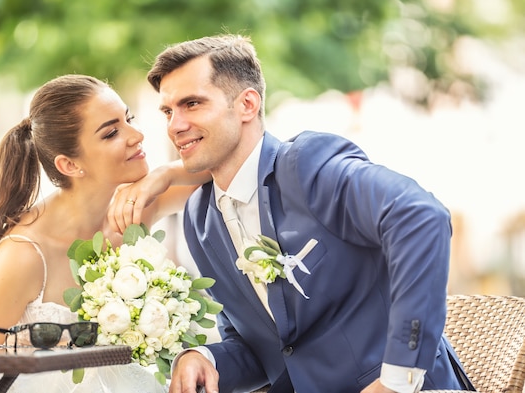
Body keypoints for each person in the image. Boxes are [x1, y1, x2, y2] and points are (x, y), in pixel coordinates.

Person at [141, 34, 475, 393]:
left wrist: (398, 379)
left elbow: (422, 217)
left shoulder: (308, 167)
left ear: (247, 105)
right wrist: (203, 358)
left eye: (192, 103)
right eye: (168, 111)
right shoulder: (199, 219)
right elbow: (264, 351)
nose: (175, 125)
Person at [0, 74, 210, 393]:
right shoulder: (26, 254)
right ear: (69, 165)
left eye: (129, 119)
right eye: (112, 132)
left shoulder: (133, 207)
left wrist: (165, 174)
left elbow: (223, 167)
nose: (136, 135)